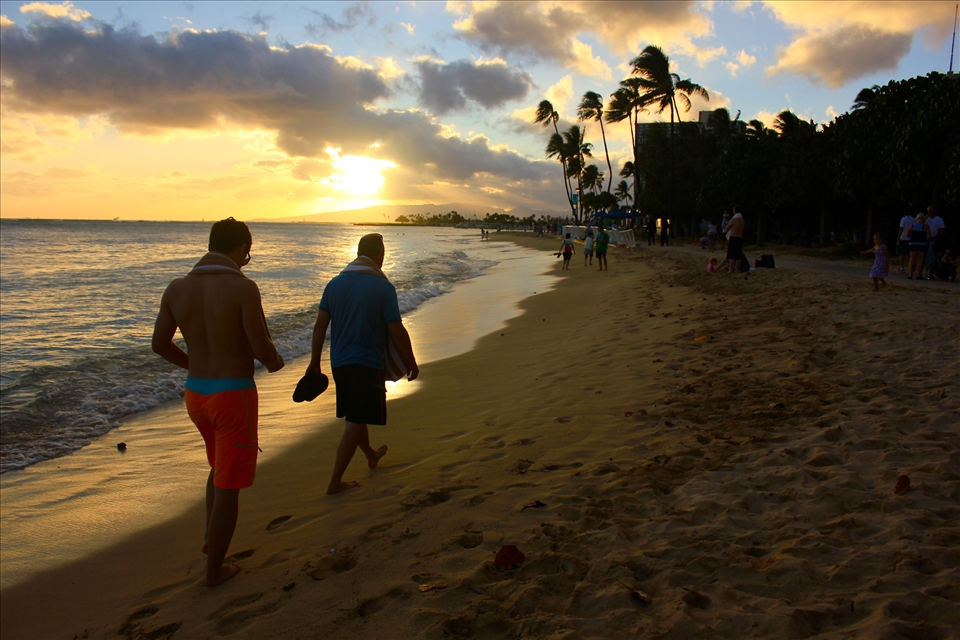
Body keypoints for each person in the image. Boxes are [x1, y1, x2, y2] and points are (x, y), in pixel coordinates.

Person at [152, 217, 285, 587]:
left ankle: (212, 541)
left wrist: (193, 363)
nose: (248, 259)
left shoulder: (177, 288)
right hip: (233, 394)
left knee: (218, 468)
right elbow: (261, 347)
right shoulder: (243, 288)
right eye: (248, 252)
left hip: (196, 394)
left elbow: (159, 344)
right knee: (230, 483)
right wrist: (277, 362)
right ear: (242, 247)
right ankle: (214, 573)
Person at [307, 234, 419, 495]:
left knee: (357, 415)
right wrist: (410, 361)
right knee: (356, 420)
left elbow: (320, 326)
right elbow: (396, 329)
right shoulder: (382, 287)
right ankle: (335, 482)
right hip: (367, 363)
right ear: (379, 254)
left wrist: (315, 362)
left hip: (339, 364)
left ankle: (370, 454)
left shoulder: (334, 284)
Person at [924, 205, 946, 280]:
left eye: (931, 210)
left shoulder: (939, 219)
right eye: (928, 211)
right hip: (926, 239)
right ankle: (927, 269)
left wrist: (938, 235)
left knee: (932, 254)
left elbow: (942, 229)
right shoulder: (926, 219)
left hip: (935, 239)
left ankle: (931, 269)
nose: (930, 212)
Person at [906, 213, 930, 280]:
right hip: (922, 244)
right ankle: (918, 274)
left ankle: (910, 274)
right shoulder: (925, 226)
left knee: (912, 259)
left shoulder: (912, 225)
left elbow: (907, 235)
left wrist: (913, 235)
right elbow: (929, 236)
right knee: (921, 259)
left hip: (912, 243)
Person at [724, 207, 745, 274]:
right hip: (740, 237)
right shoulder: (742, 220)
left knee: (732, 255)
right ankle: (737, 269)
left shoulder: (734, 219)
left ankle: (731, 269)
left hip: (733, 237)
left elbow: (727, 227)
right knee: (738, 255)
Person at [897, 209, 915, 273]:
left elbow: (901, 228)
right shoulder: (914, 219)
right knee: (909, 254)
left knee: (901, 254)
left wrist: (899, 237)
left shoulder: (904, 219)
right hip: (911, 238)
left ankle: (902, 267)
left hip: (904, 238)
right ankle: (912, 266)